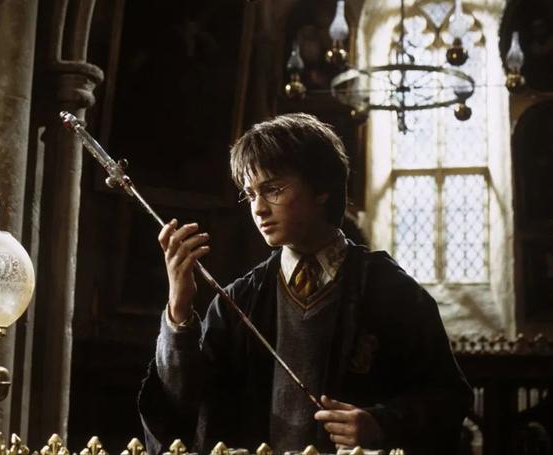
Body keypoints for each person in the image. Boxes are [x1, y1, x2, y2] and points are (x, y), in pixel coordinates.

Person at [138, 113, 472, 455]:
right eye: (250, 194)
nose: (258, 209)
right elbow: (183, 403)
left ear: (321, 188)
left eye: (273, 190)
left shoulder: (391, 291)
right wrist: (179, 309)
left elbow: (448, 398)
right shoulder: (240, 300)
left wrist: (381, 425)